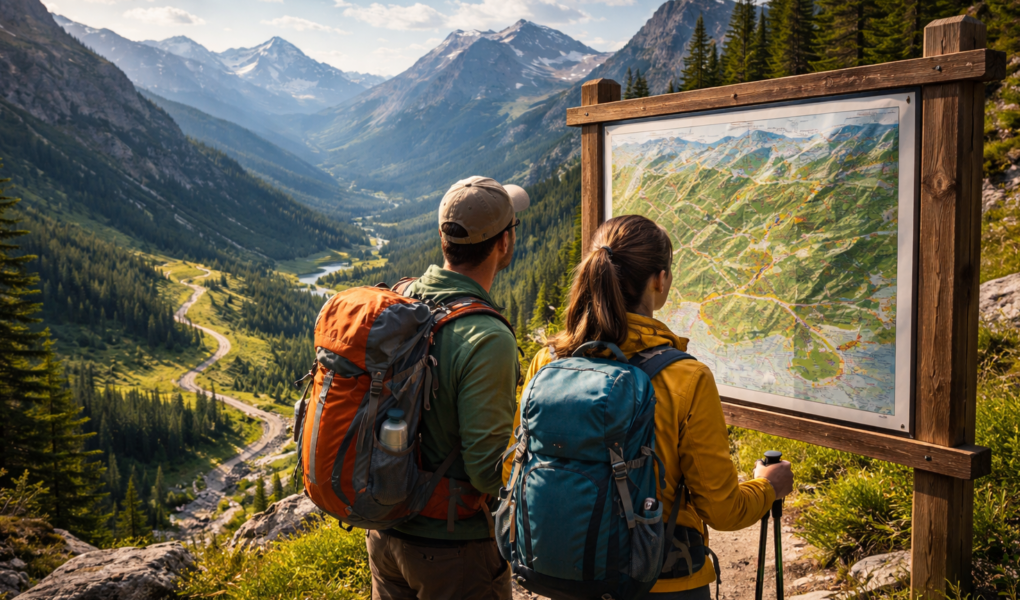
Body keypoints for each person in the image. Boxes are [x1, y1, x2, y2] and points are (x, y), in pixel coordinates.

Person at [503, 214, 794, 599]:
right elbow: (723, 510)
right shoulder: (686, 378)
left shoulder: (548, 363)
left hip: (569, 574)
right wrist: (768, 486)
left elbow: (512, 468)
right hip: (663, 581)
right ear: (660, 280)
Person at [367, 176, 529, 600]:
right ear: (504, 242)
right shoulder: (486, 337)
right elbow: (487, 471)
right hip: (453, 551)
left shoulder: (402, 298)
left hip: (385, 536)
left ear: (444, 238)